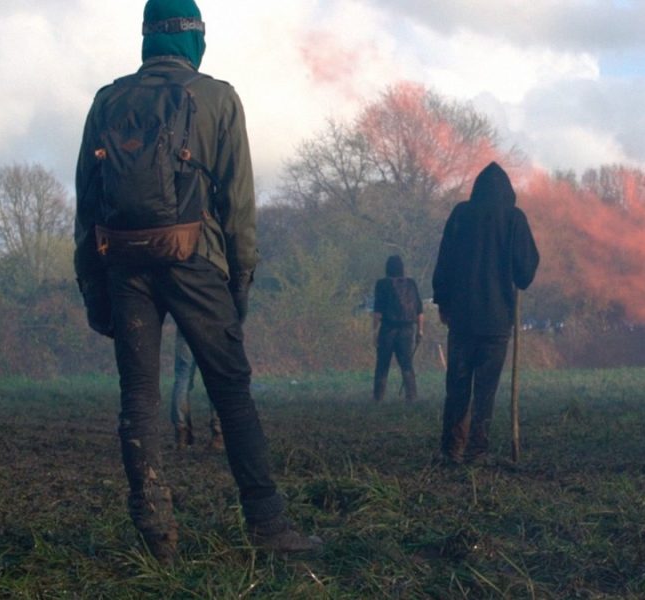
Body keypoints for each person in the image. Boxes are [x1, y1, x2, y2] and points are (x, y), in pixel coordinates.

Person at [74, 0, 320, 562]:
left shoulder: (107, 100)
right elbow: (238, 204)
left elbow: (86, 205)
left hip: (124, 264)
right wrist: (240, 285)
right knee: (231, 393)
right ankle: (268, 525)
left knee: (137, 397)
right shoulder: (217, 97)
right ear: (196, 39)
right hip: (196, 261)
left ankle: (157, 534)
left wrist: (94, 285)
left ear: (146, 39)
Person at [432, 162, 540, 465]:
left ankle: (451, 448)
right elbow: (525, 273)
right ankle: (478, 451)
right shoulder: (513, 219)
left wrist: (443, 301)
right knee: (486, 389)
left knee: (457, 385)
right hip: (496, 321)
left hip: (462, 318)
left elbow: (445, 261)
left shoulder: (460, 215)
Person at [372, 255, 424, 403]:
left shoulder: (382, 284)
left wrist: (374, 332)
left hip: (388, 329)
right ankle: (411, 397)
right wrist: (420, 331)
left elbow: (377, 312)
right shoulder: (411, 284)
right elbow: (420, 310)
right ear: (402, 268)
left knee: (382, 364)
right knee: (407, 364)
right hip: (407, 330)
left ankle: (378, 398)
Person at [171, 327, 223, 450]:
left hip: (185, 327)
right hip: (213, 326)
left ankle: (181, 434)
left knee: (182, 379)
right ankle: (218, 433)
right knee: (215, 379)